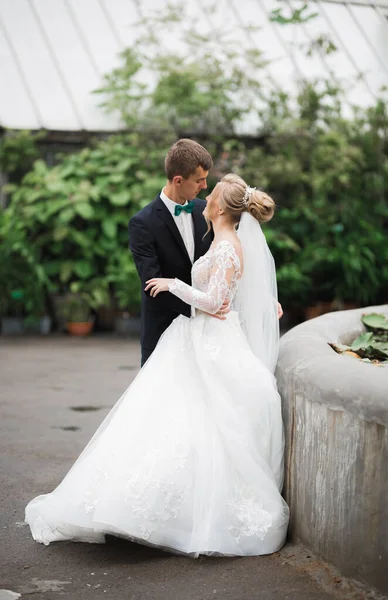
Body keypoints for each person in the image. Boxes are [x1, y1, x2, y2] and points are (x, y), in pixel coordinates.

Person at [25, 174, 289, 557]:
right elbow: (232, 290)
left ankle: (183, 511)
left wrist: (174, 284)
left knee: (205, 422)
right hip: (194, 336)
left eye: (210, 192)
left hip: (211, 340)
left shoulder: (228, 245)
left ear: (217, 207)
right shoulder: (213, 233)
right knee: (172, 417)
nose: (204, 196)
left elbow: (217, 302)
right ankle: (146, 503)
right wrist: (264, 301)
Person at [129, 138, 228, 367]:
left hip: (208, 334)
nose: (205, 187)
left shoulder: (207, 211)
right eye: (199, 181)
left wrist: (265, 298)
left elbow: (228, 259)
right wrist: (202, 307)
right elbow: (152, 285)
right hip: (164, 334)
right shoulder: (143, 223)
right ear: (178, 180)